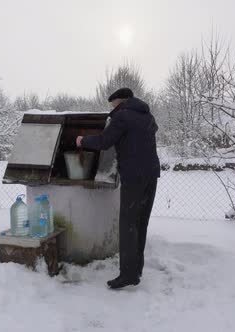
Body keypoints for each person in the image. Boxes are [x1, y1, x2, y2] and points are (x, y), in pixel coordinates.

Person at [76, 87, 160, 289]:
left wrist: (82, 140)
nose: (112, 107)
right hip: (151, 175)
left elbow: (105, 141)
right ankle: (136, 269)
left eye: (112, 104)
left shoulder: (122, 117)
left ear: (119, 101)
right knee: (141, 223)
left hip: (133, 177)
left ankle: (128, 275)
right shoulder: (147, 115)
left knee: (128, 224)